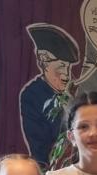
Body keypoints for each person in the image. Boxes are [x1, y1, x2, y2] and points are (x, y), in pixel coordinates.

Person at [19, 23, 79, 166]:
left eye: (68, 67)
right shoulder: (33, 95)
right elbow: (40, 147)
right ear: (44, 60)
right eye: (62, 66)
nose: (67, 75)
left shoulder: (70, 95)